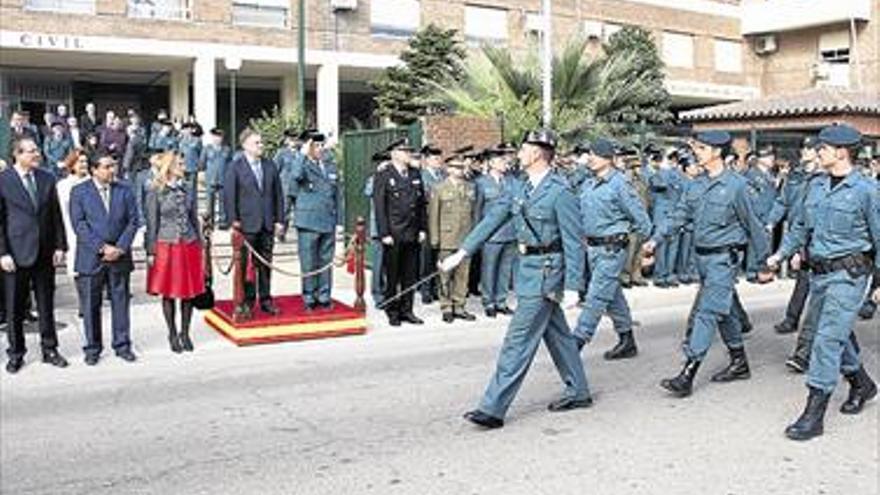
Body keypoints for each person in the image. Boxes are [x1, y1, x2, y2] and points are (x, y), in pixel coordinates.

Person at [439, 129, 591, 429]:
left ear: (536, 153)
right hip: (528, 269)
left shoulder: (560, 191)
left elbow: (574, 242)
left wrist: (574, 286)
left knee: (517, 341)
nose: (516, 155)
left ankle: (493, 408)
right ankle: (579, 390)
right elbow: (491, 220)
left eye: (522, 150)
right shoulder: (519, 188)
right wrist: (462, 253)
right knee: (558, 335)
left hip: (547, 272)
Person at [766, 124, 879, 441]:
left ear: (842, 152)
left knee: (826, 340)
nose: (817, 152)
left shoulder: (867, 190)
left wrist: (878, 284)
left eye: (823, 148)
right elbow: (801, 226)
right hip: (819, 274)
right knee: (836, 335)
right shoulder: (815, 186)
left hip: (850, 275)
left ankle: (813, 414)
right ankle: (861, 384)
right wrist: (780, 255)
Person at [646, 131, 772, 397]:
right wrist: (655, 240)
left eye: (702, 148)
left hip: (722, 260)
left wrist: (763, 264)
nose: (697, 152)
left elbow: (754, 227)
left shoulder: (737, 186)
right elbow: (679, 216)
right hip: (700, 260)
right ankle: (739, 361)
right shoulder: (695, 185)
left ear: (717, 152)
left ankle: (687, 373)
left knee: (706, 312)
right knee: (723, 311)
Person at [573, 138, 653, 359]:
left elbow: (642, 220)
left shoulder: (620, 184)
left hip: (612, 250)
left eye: (594, 154)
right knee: (612, 294)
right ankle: (627, 340)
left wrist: (644, 248)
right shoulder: (588, 184)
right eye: (589, 153)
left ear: (608, 158)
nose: (589, 158)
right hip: (593, 249)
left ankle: (575, 343)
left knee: (595, 298)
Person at [0, 137, 69, 374]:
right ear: (17, 155)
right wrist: (3, 252)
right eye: (31, 151)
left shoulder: (47, 178)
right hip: (15, 254)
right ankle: (16, 353)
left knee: (46, 304)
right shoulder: (3, 180)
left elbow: (55, 215)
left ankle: (50, 349)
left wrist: (60, 246)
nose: (36, 154)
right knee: (14, 308)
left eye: (36, 150)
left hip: (45, 252)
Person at [70, 153, 140, 364]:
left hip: (119, 256)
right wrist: (101, 248)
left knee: (120, 301)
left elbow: (133, 221)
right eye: (107, 167)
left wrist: (119, 248)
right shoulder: (79, 192)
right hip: (91, 257)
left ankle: (122, 345)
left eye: (113, 166)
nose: (112, 170)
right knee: (91, 305)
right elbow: (79, 224)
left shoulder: (125, 190)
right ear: (94, 169)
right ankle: (92, 348)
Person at [145, 151, 205, 353]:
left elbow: (193, 217)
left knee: (189, 292)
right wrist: (151, 251)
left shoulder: (188, 188)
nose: (184, 166)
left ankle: (185, 332)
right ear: (169, 167)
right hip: (166, 244)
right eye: (180, 163)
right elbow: (152, 223)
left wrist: (200, 243)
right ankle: (172, 332)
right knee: (169, 292)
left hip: (188, 243)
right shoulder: (156, 190)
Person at [224, 129, 284, 320]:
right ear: (245, 146)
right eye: (257, 143)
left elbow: (278, 195)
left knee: (265, 265)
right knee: (245, 267)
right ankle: (246, 301)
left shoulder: (270, 165)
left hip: (266, 223)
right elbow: (229, 196)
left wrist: (279, 220)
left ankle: (266, 300)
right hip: (246, 225)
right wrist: (233, 221)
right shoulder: (235, 167)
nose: (261, 146)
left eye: (261, 142)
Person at [766, 137, 820, 336]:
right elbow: (782, 202)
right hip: (798, 232)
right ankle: (792, 319)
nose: (805, 151)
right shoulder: (795, 176)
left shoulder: (824, 178)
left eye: (809, 148)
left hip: (816, 235)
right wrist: (772, 221)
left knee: (817, 285)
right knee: (803, 279)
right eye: (804, 148)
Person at [372, 138, 427, 327]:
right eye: (404, 150)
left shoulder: (414, 173)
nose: (408, 153)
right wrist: (384, 232)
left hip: (412, 231)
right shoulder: (384, 175)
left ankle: (407, 309)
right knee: (393, 275)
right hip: (393, 233)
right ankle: (392, 310)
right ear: (394, 153)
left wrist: (422, 228)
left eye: (409, 150)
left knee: (409, 275)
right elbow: (380, 206)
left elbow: (421, 205)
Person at [289, 130, 340, 310]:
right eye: (315, 145)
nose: (319, 149)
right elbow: (295, 177)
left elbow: (336, 195)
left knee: (326, 261)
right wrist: (302, 154)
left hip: (327, 219)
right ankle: (309, 297)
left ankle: (324, 295)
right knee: (309, 262)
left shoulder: (330, 165)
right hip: (308, 221)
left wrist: (338, 221)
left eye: (321, 145)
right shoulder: (301, 164)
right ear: (308, 147)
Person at [429, 152, 477, 323]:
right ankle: (446, 306)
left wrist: (475, 237)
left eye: (462, 166)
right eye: (456, 167)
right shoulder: (439, 188)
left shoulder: (470, 187)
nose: (460, 170)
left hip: (466, 237)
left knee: (463, 275)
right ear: (448, 169)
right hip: (447, 237)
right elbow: (433, 216)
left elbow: (474, 215)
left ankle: (460, 305)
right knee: (445, 274)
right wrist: (435, 239)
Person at [474, 146, 516, 318]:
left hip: (510, 232)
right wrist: (478, 235)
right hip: (491, 235)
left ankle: (501, 301)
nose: (504, 163)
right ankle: (488, 301)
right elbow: (477, 211)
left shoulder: (511, 181)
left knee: (505, 270)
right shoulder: (481, 183)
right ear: (491, 163)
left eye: (505, 160)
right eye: (500, 160)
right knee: (489, 269)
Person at [643, 145, 684, 288]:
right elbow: (659, 185)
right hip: (661, 214)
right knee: (662, 246)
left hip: (675, 213)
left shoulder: (677, 174)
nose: (673, 160)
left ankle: (669, 274)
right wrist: (664, 169)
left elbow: (682, 190)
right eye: (669, 157)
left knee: (673, 247)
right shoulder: (658, 173)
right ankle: (660, 276)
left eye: (674, 158)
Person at [57, 150, 90, 280]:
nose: (84, 164)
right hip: (72, 230)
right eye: (80, 161)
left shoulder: (94, 182)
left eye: (86, 161)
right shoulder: (63, 186)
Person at [418, 145, 446, 305]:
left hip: (443, 221)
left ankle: (437, 289)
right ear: (427, 160)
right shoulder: (421, 177)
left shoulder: (443, 175)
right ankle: (425, 290)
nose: (438, 161)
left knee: (439, 257)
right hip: (429, 221)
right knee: (427, 258)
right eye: (435, 158)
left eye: (439, 158)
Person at [201, 128, 231, 229]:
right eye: (215, 137)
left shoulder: (227, 149)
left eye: (219, 137)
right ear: (212, 137)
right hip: (211, 179)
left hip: (223, 179)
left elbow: (230, 164)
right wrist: (204, 176)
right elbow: (202, 163)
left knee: (223, 202)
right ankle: (210, 223)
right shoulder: (207, 149)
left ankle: (223, 222)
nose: (217, 139)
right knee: (209, 203)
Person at [178, 122, 203, 193]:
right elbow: (179, 153)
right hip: (183, 167)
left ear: (192, 130)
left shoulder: (197, 140)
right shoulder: (180, 141)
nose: (186, 131)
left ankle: (192, 203)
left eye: (188, 129)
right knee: (183, 188)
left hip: (193, 166)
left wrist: (199, 164)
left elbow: (200, 152)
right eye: (184, 129)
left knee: (192, 188)